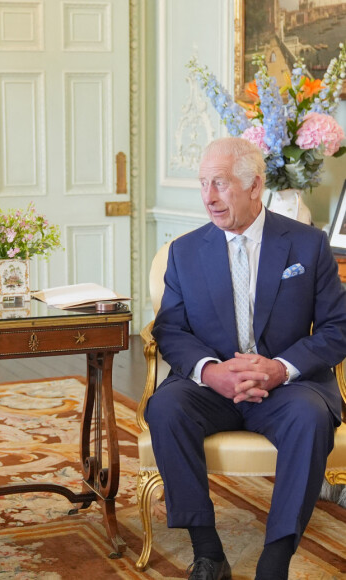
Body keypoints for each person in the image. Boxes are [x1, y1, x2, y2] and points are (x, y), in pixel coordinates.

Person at [145, 137, 346, 580]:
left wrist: (281, 368)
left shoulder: (308, 246)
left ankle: (275, 561)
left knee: (311, 418)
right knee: (165, 407)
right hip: (212, 388)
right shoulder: (184, 251)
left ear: (255, 186)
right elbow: (170, 329)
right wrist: (210, 371)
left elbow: (338, 328)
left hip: (286, 388)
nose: (209, 197)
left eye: (220, 184)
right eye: (203, 184)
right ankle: (208, 551)